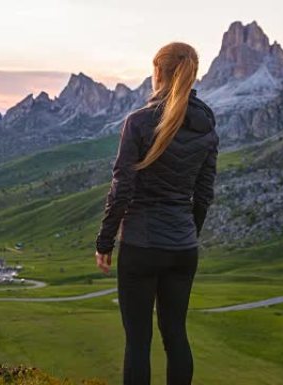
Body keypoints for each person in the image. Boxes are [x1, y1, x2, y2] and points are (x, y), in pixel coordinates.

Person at [94, 41, 219, 385]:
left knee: (138, 342)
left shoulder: (139, 122)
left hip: (141, 245)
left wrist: (104, 242)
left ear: (159, 73)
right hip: (183, 248)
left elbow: (122, 189)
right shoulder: (206, 125)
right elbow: (203, 194)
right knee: (175, 334)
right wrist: (186, 234)